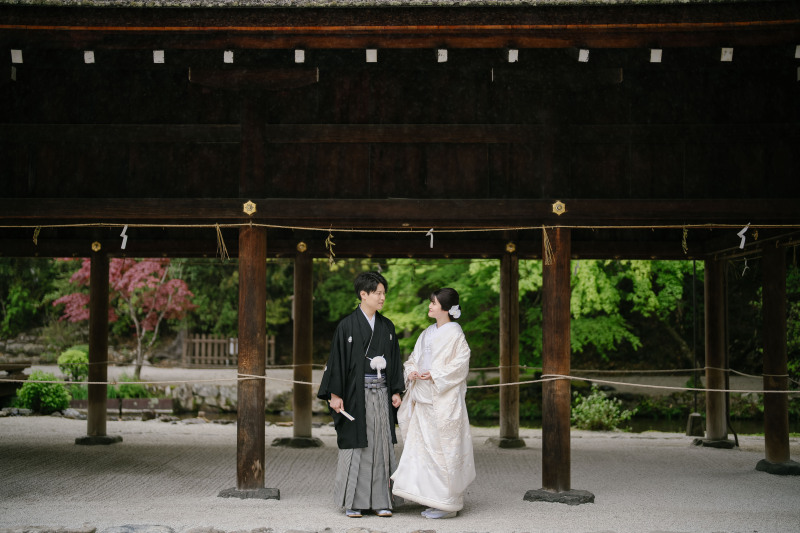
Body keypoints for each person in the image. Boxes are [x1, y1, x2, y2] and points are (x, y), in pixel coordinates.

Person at [317, 271, 404, 518]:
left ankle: (382, 501)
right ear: (363, 294)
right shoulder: (347, 326)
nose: (382, 297)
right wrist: (335, 394)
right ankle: (353, 502)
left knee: (382, 445)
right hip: (355, 394)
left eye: (384, 293)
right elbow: (337, 362)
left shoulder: (387, 326)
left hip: (382, 392)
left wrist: (396, 390)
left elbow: (395, 360)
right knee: (356, 445)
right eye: (378, 292)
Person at [391, 287, 475, 519]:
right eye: (431, 302)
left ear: (446, 309)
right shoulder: (426, 333)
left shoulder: (455, 333)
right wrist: (414, 372)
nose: (430, 306)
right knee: (424, 451)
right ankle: (431, 498)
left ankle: (448, 504)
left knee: (442, 451)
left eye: (434, 303)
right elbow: (412, 360)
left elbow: (461, 364)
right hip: (423, 399)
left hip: (443, 401)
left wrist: (435, 374)